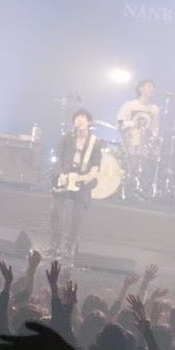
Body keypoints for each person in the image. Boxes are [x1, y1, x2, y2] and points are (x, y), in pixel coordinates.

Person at [49, 108, 103, 259]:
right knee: (55, 211)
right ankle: (54, 245)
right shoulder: (67, 138)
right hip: (64, 178)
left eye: (83, 117)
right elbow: (58, 158)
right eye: (77, 117)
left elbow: (96, 165)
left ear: (89, 121)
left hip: (81, 182)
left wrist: (89, 177)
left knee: (77, 215)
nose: (79, 119)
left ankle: (69, 247)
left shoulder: (95, 142)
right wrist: (61, 174)